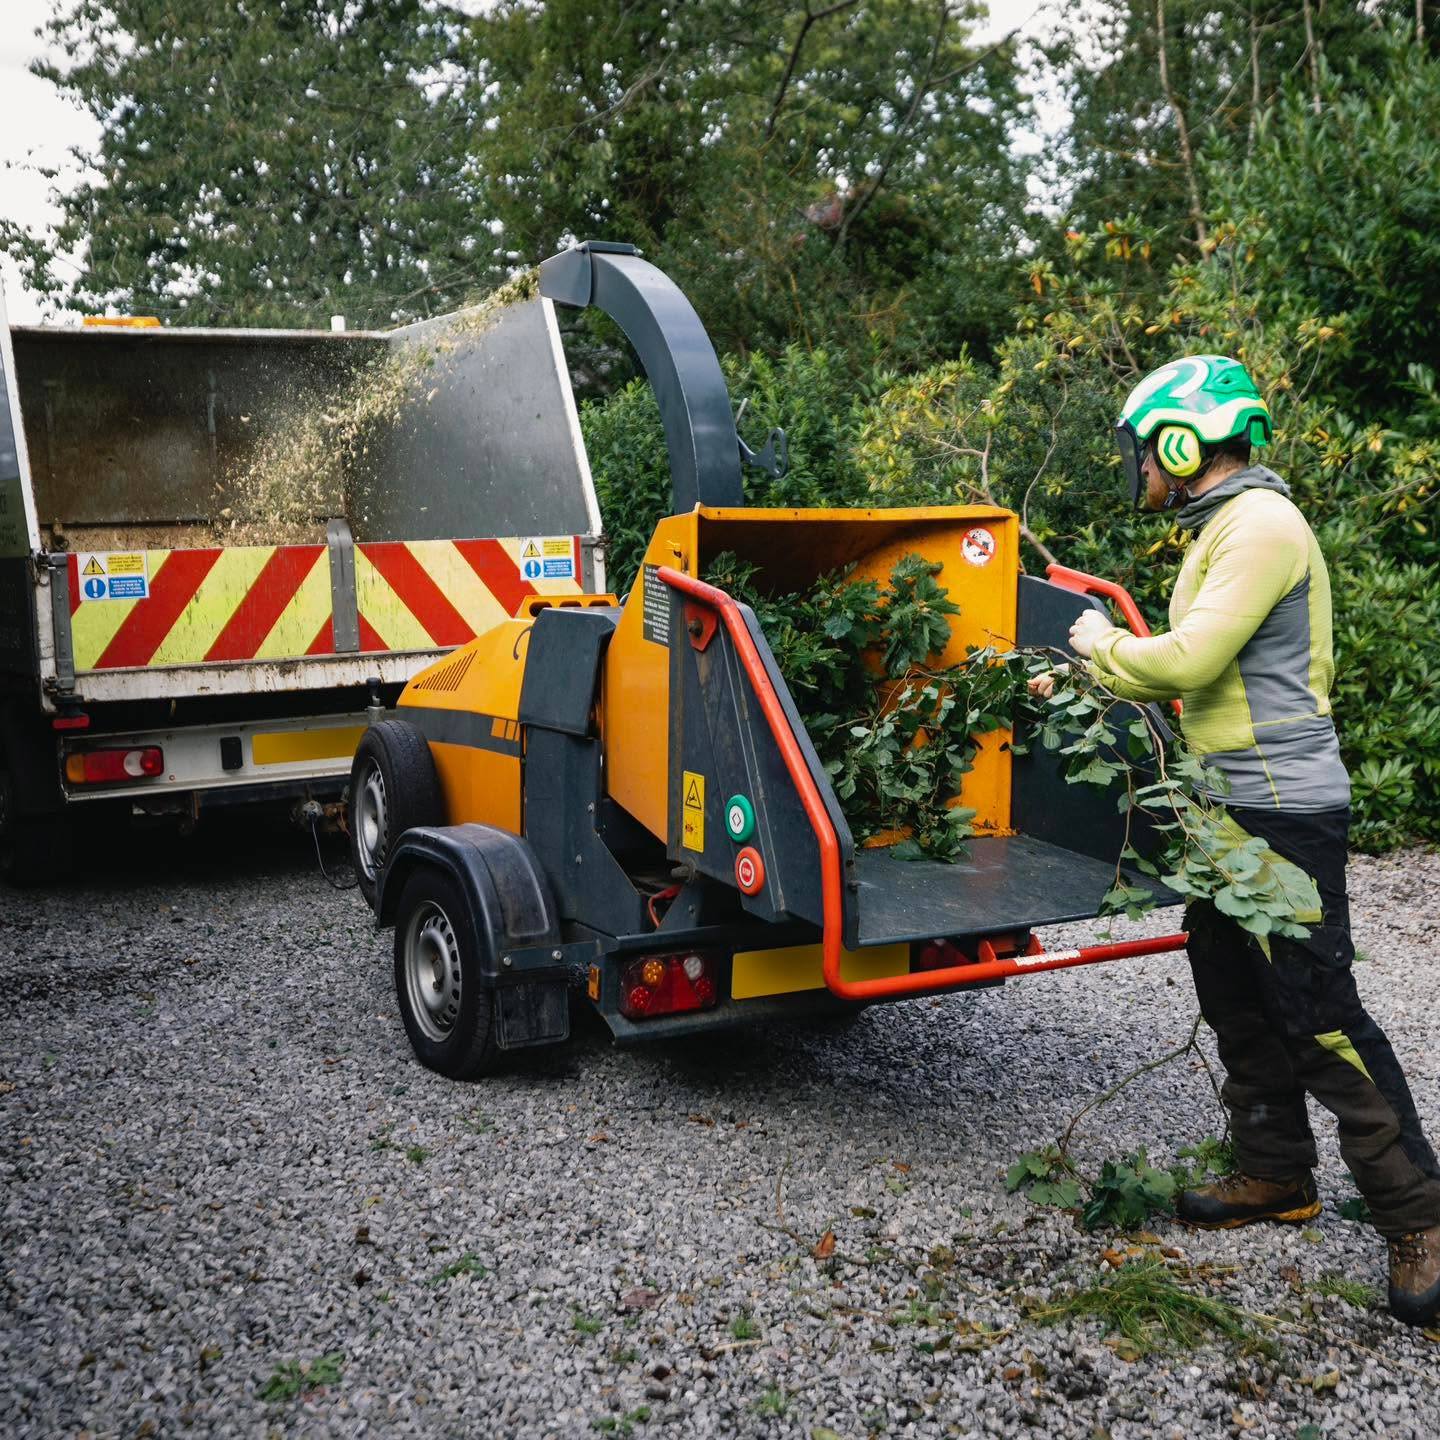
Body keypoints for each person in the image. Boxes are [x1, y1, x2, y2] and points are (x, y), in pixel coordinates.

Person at [1028, 355, 1440, 1327]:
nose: (1141, 467)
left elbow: (1192, 658)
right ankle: (1274, 1171)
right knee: (1229, 973)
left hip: (1283, 809)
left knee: (1316, 1005)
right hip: (1229, 801)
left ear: (1182, 441)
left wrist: (1093, 645)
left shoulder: (1261, 526)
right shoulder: (1224, 526)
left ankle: (1418, 1216)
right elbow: (1198, 673)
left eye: (1146, 448)